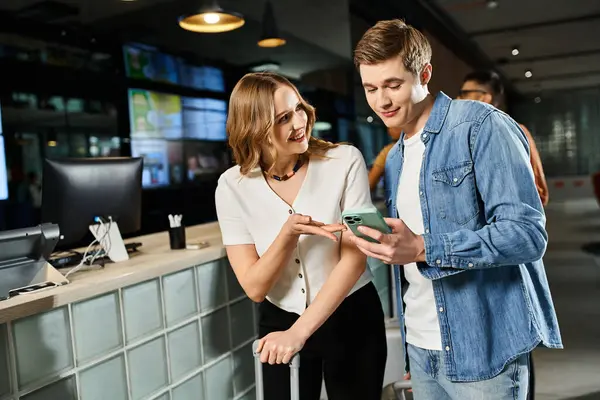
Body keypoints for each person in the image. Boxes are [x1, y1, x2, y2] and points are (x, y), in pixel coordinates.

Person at [350, 19, 562, 400]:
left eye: (393, 85)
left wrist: (423, 247)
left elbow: (528, 235)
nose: (381, 100)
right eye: (371, 88)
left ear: (425, 74)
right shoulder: (395, 157)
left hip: (484, 348)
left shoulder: (482, 127)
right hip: (422, 345)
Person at [214, 72, 387, 400]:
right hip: (279, 321)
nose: (299, 122)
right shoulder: (230, 187)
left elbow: (355, 256)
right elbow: (254, 287)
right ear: (254, 128)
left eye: (299, 109)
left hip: (351, 313)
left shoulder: (344, 160)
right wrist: (288, 235)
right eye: (283, 118)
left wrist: (300, 332)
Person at [458, 70, 549, 206]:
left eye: (464, 94)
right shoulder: (463, 135)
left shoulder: (512, 131)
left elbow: (538, 191)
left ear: (484, 98)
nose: (458, 98)